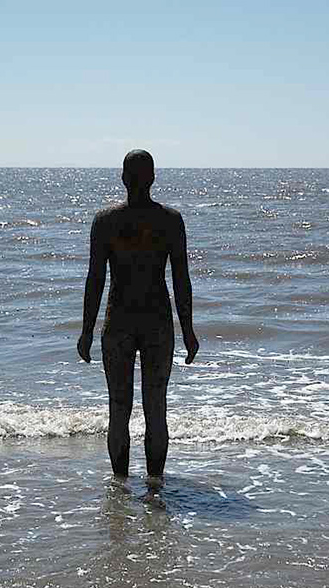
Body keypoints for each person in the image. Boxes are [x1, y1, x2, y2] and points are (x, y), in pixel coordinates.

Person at [77, 149, 199, 480]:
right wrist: (188, 330)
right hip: (158, 323)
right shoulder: (170, 221)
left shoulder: (105, 222)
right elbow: (180, 280)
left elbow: (96, 280)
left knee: (119, 409)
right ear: (153, 179)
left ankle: (120, 486)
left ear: (122, 178)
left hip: (118, 323)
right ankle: (155, 486)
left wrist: (87, 330)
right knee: (155, 410)